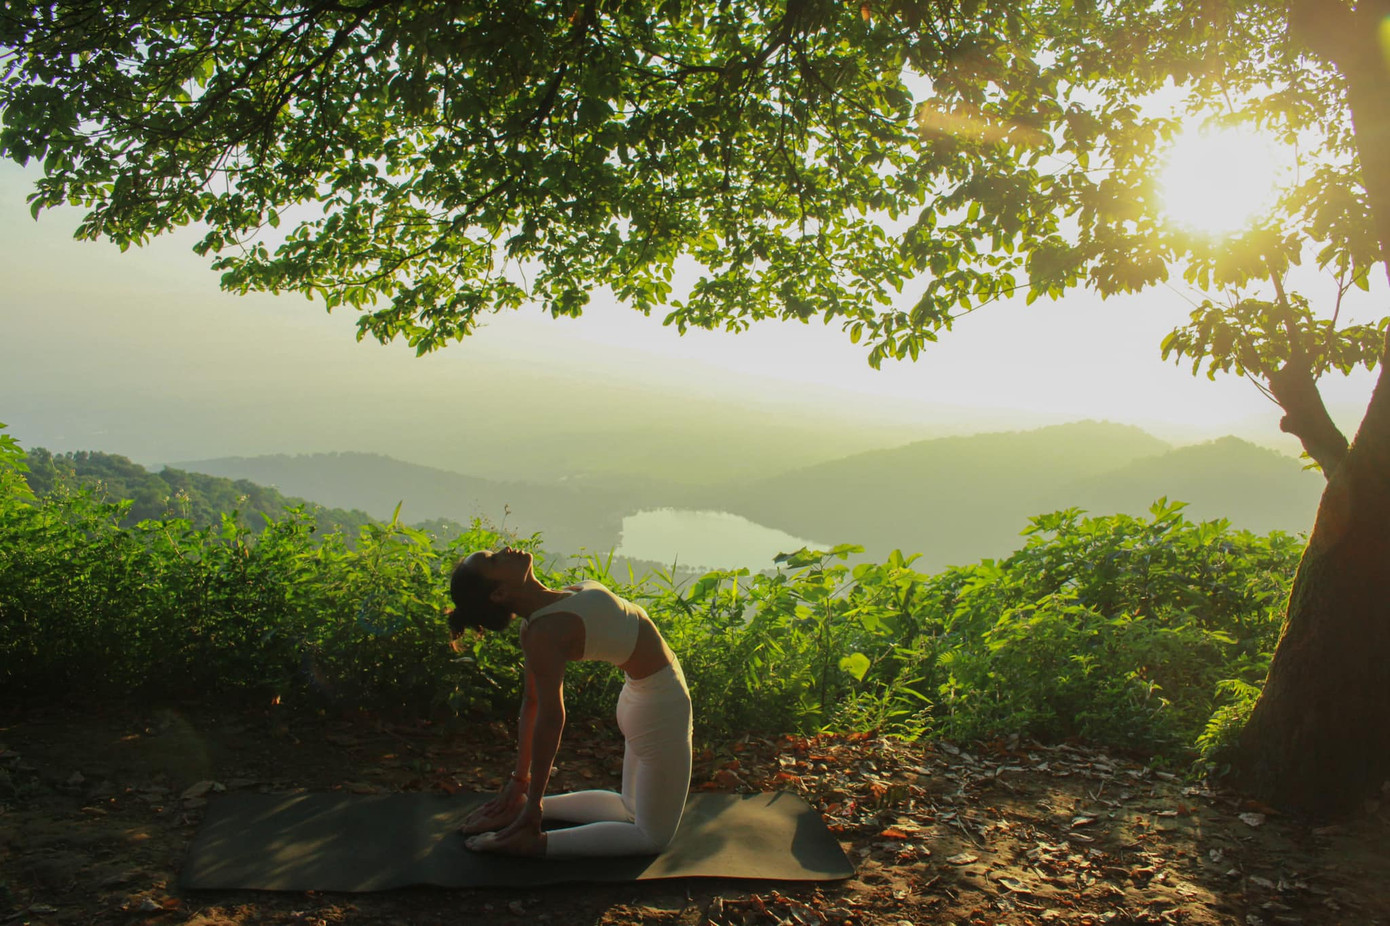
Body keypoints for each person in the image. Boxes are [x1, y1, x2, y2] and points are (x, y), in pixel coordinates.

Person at [447, 546, 693, 857]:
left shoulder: (550, 606)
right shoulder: (541, 632)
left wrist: (522, 786)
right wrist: (530, 793)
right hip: (660, 708)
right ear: (499, 594)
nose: (504, 550)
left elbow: (531, 704)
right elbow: (546, 713)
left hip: (643, 700)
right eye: (494, 560)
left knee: (629, 807)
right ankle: (536, 843)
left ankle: (523, 809)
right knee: (652, 837)